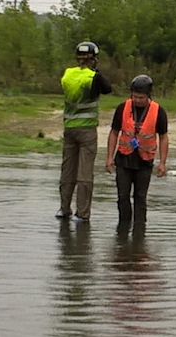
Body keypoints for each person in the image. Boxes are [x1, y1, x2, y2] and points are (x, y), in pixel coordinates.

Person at [58, 41, 113, 222]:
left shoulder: (67, 75)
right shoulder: (93, 77)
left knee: (67, 171)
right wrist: (96, 71)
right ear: (94, 59)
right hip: (87, 130)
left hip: (69, 129)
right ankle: (82, 213)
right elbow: (108, 89)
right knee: (85, 173)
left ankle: (64, 208)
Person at [105, 74, 168, 232]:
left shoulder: (158, 111)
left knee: (140, 198)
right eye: (134, 97)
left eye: (141, 97)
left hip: (144, 161)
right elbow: (114, 132)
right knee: (122, 196)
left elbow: (163, 137)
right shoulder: (123, 108)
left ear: (148, 95)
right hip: (123, 159)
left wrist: (162, 163)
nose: (137, 100)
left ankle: (140, 230)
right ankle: (123, 228)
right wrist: (109, 158)